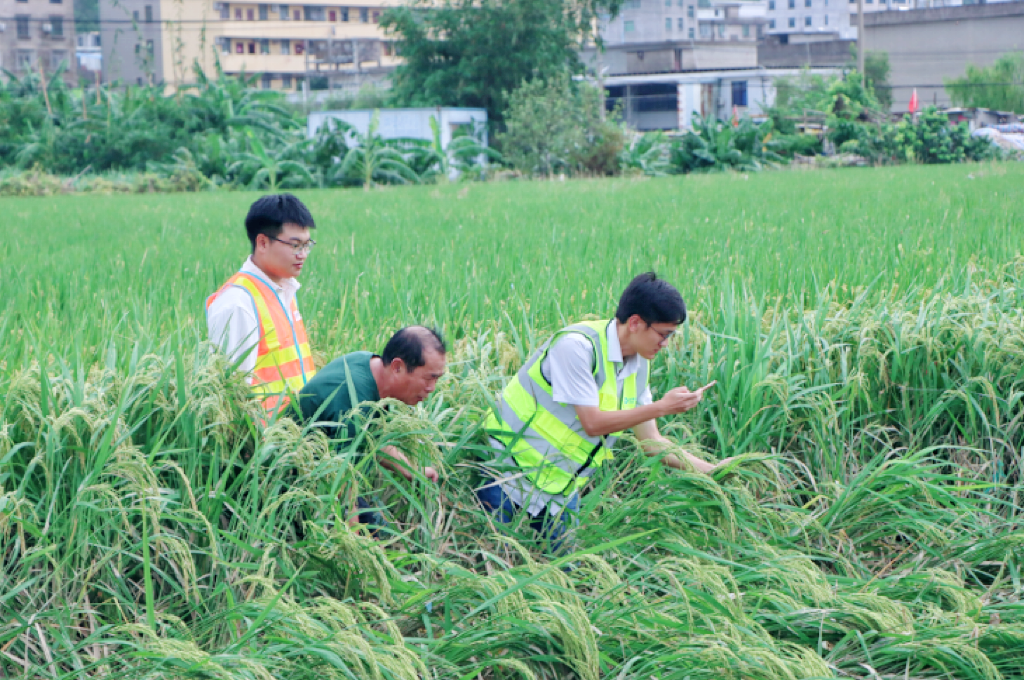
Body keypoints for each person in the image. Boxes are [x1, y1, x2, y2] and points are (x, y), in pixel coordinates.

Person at [480, 272, 733, 554]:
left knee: (567, 572)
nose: (666, 344)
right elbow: (593, 423)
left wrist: (713, 471)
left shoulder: (638, 364)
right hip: (507, 470)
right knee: (492, 561)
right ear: (635, 322)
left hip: (558, 488)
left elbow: (651, 442)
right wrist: (662, 407)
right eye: (663, 335)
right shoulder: (577, 347)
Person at [297, 326, 446, 530]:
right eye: (429, 378)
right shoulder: (354, 396)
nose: (431, 388)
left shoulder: (371, 368)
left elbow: (371, 436)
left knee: (380, 529)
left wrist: (412, 470)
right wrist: (356, 542)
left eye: (437, 379)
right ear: (397, 367)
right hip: (296, 484)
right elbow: (342, 480)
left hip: (322, 476)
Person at [206, 194, 318, 413]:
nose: (303, 254)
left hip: (294, 435)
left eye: (307, 245)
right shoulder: (238, 303)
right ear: (263, 242)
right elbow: (233, 392)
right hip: (263, 440)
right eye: (295, 245)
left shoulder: (285, 290)